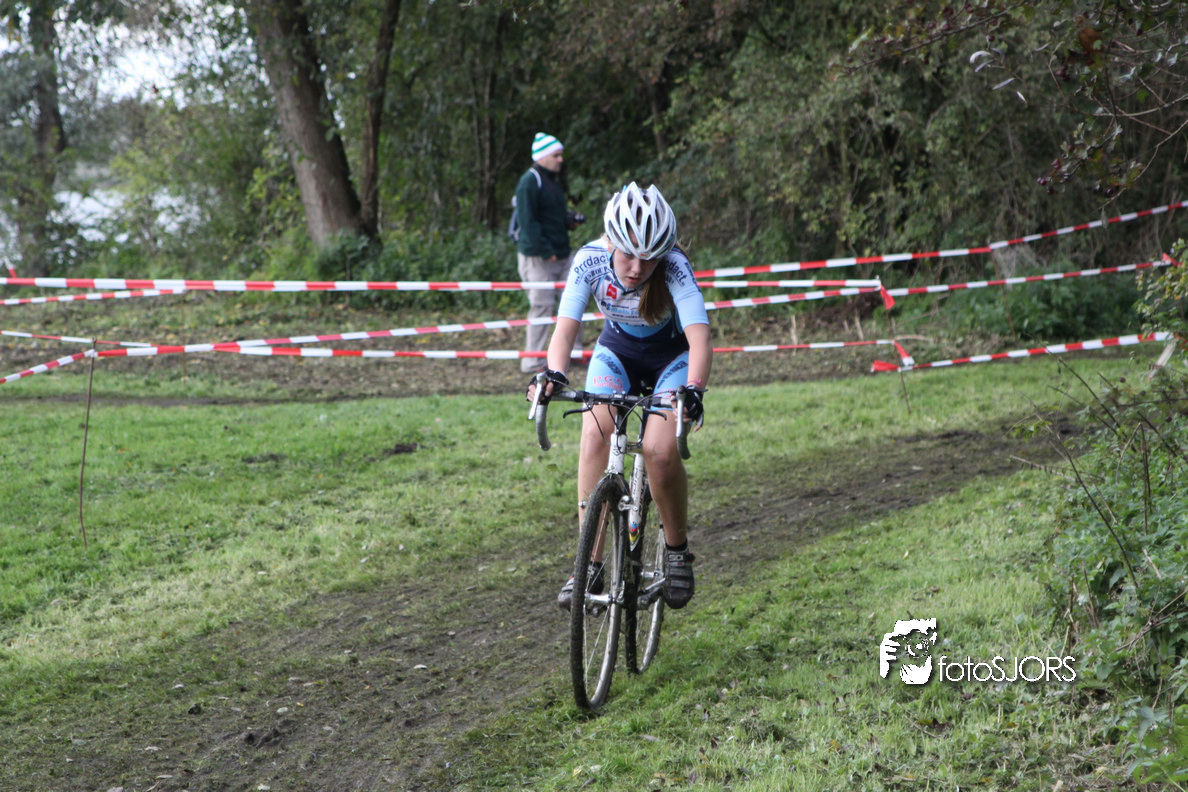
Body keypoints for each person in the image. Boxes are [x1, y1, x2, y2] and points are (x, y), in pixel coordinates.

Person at [527, 182, 711, 611]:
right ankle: (588, 565)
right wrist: (554, 373)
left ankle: (677, 549)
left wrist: (695, 390)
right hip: (617, 354)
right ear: (611, 241)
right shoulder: (590, 260)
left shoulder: (675, 266)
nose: (637, 267)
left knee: (659, 451)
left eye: (649, 257)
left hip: (671, 361)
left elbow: (700, 339)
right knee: (595, 431)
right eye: (628, 254)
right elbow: (565, 329)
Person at [515, 132, 583, 374]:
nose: (560, 160)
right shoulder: (529, 182)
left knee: (574, 301)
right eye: (556, 155)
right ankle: (531, 360)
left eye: (561, 155)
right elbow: (527, 221)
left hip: (563, 254)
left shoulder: (552, 181)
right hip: (538, 258)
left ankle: (575, 353)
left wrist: (568, 220)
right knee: (541, 306)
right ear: (542, 157)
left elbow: (550, 217)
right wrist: (545, 250)